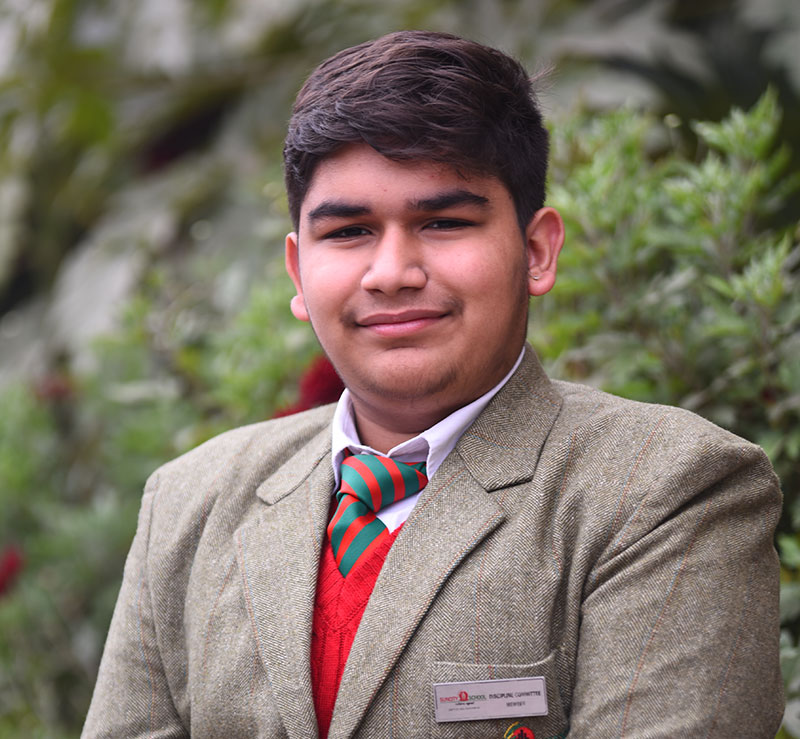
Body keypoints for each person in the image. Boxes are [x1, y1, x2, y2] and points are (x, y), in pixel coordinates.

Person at [83, 30, 783, 738]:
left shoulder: (664, 491)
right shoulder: (190, 504)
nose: (391, 272)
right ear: (297, 271)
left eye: (444, 221)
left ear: (536, 251)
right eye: (348, 231)